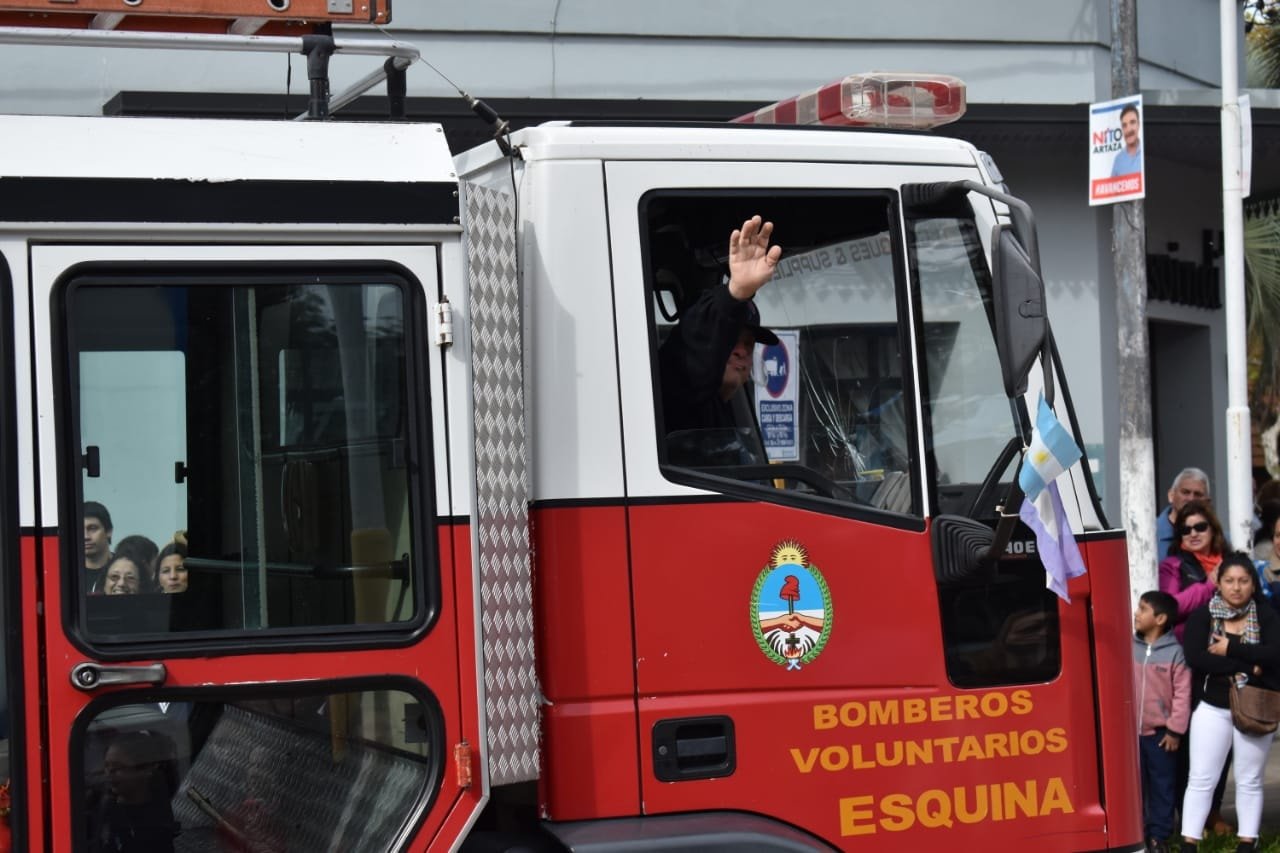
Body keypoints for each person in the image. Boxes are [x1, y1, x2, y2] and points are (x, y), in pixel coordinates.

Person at [1179, 555, 1280, 853]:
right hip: (1213, 706)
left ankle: (1248, 842)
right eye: (1229, 581)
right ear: (1219, 583)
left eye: (1243, 581)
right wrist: (1250, 665)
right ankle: (1188, 842)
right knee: (1200, 778)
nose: (1236, 588)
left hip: (1255, 705)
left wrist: (1230, 648)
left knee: (1250, 778)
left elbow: (1274, 654)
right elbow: (1197, 657)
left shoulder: (1266, 615)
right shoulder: (1204, 615)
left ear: (1252, 584)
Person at [658, 214, 781, 436]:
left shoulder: (729, 413)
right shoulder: (678, 401)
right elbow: (694, 350)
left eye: (749, 343)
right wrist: (736, 292)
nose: (742, 351)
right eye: (731, 340)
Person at [1132, 590, 1190, 853]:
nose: (1136, 613)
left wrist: (1175, 731)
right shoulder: (1129, 647)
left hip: (1160, 735)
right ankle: (1136, 833)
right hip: (1131, 734)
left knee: (1162, 786)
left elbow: (1182, 695)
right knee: (1135, 787)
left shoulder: (1175, 653)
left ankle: (1159, 836)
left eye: (1143, 609)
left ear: (1160, 619)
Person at [86, 730, 179, 853]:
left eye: (117, 768)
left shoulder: (160, 818)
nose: (109, 774)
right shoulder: (100, 807)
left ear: (146, 770)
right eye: (107, 766)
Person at [1159, 500, 1225, 641]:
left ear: (1213, 529)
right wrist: (1209, 586)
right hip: (1188, 646)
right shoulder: (1171, 565)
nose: (1193, 534)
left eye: (1200, 527)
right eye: (1186, 530)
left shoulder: (1229, 561)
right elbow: (1170, 607)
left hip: (1229, 645)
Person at [1156, 468, 1211, 565]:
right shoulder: (1148, 536)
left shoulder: (1222, 540)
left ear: (1207, 502)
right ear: (1171, 496)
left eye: (1198, 494)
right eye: (1185, 492)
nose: (1191, 499)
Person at [84, 501, 114, 594]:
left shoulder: (123, 568)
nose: (85, 536)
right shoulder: (67, 573)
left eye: (92, 528)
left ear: (109, 531)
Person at [1111, 102, 1142, 178]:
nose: (1128, 130)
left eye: (1132, 122)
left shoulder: (1146, 153)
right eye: (1124, 125)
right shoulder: (1118, 159)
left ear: (1138, 124)